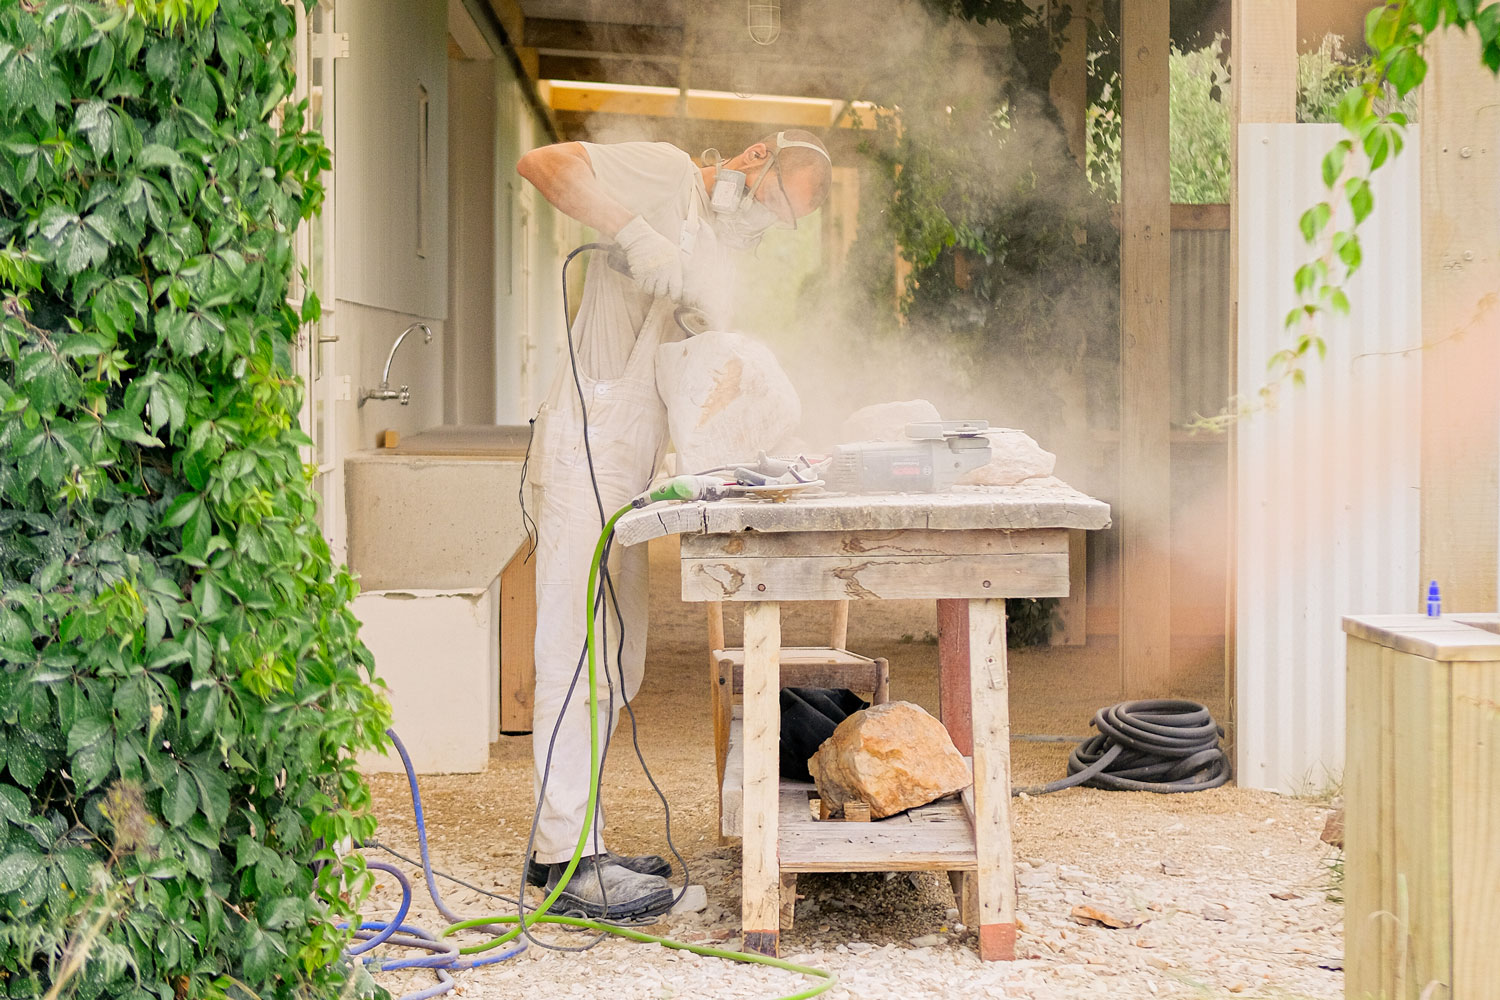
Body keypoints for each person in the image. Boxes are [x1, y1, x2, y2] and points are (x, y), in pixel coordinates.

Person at [516, 131, 833, 919]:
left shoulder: (716, 248)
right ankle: (567, 861)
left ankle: (572, 840)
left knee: (615, 657)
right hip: (587, 439)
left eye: (782, 221)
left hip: (629, 456)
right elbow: (544, 164)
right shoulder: (663, 172)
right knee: (573, 650)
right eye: (772, 200)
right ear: (754, 158)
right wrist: (633, 232)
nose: (766, 220)